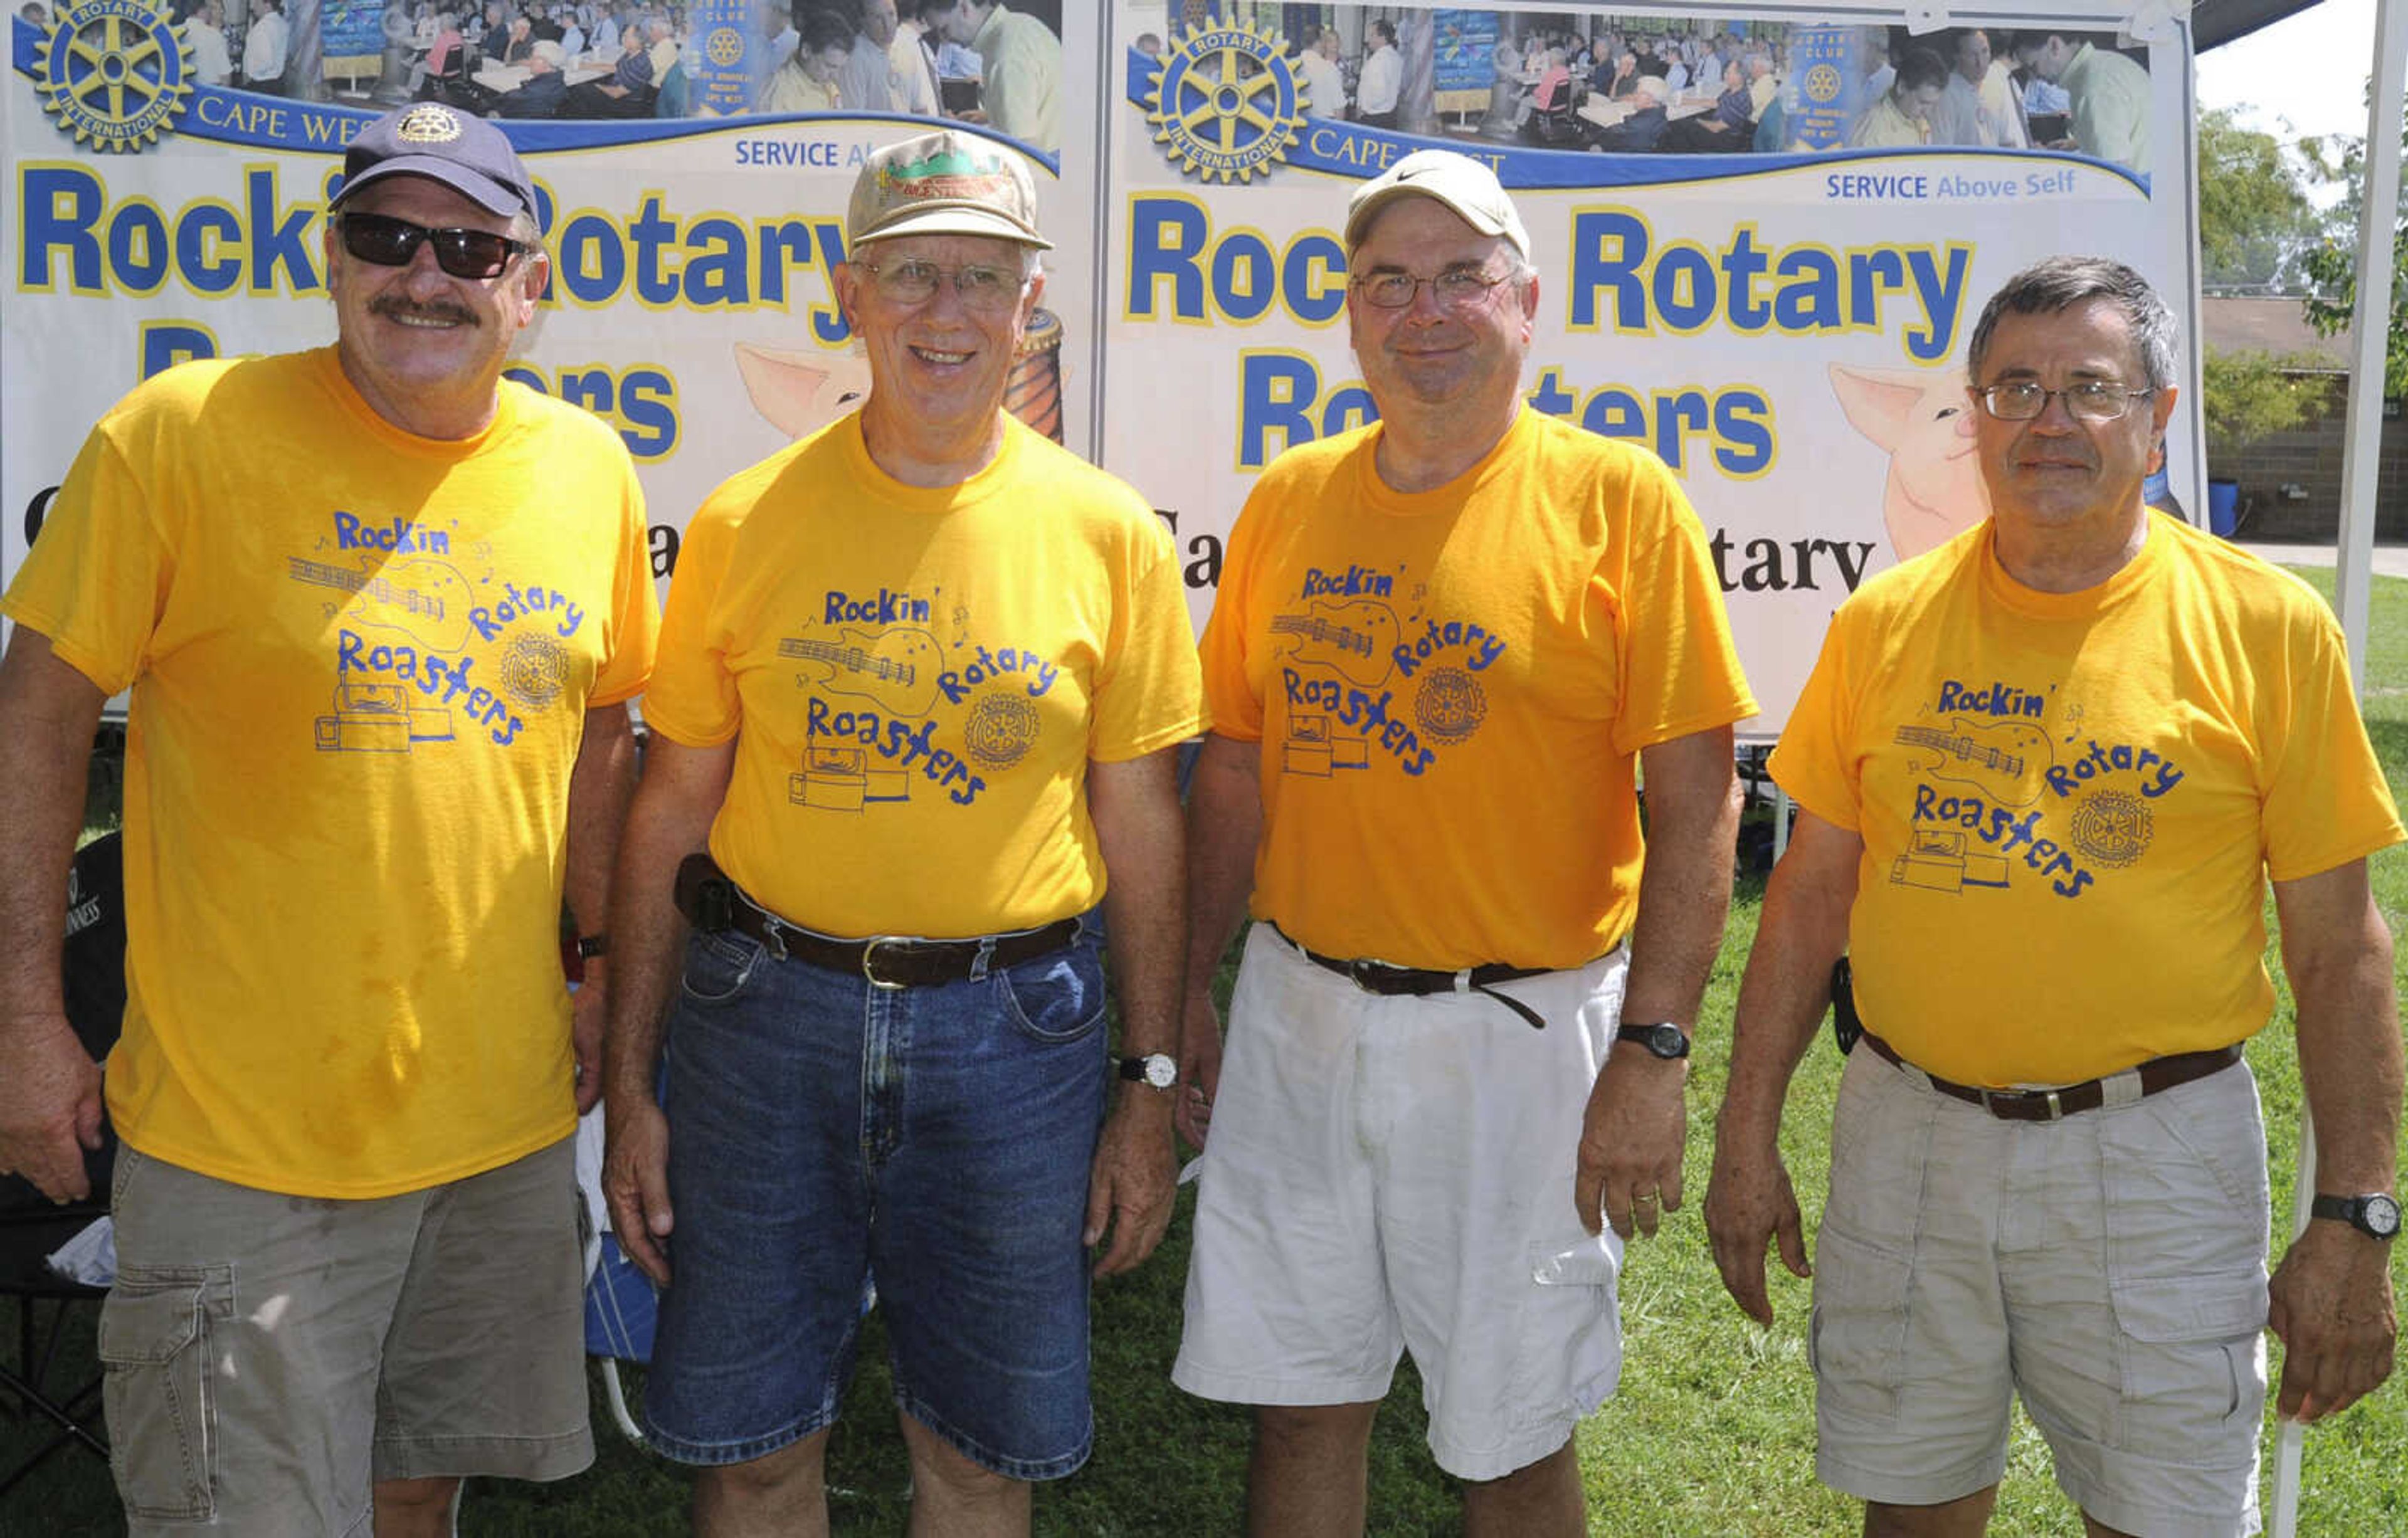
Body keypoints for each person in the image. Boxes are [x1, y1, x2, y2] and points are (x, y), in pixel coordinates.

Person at [0, 101, 659, 1535]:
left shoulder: (587, 469)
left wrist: (598, 963)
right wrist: (25, 1018)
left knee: (416, 1489)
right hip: (242, 1145)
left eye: (469, 246)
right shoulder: (178, 434)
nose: (426, 273)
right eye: (387, 235)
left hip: (490, 1134)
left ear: (529, 286)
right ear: (331, 254)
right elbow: (41, 712)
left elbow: (600, 729)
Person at [1704, 256, 2402, 1538]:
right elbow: (1805, 901)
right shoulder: (1885, 621)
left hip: (2157, 1155)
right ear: (1972, 420)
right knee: (1910, 1505)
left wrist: (2355, 1212)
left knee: (2165, 1518)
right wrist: (1746, 1138)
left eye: (2090, 387)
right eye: (2015, 387)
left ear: (2158, 417)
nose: (2050, 420)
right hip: (1908, 1133)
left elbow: (2340, 943)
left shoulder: (2266, 627)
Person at [601, 128, 1202, 1536]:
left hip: (1020, 1034)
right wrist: (634, 1080)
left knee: (982, 1450)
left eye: (982, 280)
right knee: (749, 1445)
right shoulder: (748, 522)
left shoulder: (1111, 534)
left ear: (1030, 299)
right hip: (762, 1019)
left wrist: (1149, 1081)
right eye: (914, 276)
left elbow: (1146, 833)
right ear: (848, 294)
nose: (948, 315)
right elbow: (668, 809)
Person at [1173, 149, 1755, 1538]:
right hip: (1298, 1012)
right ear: (1353, 313)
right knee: (1301, 1398)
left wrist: (1654, 1053)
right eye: (1389, 282)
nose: (1423, 309)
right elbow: (1237, 770)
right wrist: (1194, 986)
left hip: (1516, 1033)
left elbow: (1700, 803)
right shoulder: (1291, 497)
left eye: (1460, 277)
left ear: (1527, 301)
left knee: (1508, 1430)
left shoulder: (1621, 500)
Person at [931, 0, 1058, 154]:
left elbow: (1024, 151)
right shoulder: (1021, 25)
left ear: (964, 8)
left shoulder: (1006, 54)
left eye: (945, 29)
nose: (944, 41)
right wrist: (992, 116)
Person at [2015, 31, 2148, 171]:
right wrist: (2079, 144)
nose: (2034, 77)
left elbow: (2115, 173)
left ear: (2055, 46)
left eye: (2033, 66)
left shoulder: (2095, 87)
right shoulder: (2105, 64)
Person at [1847, 45, 1946, 147]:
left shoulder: (1917, 120)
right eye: (1923, 103)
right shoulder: (1875, 132)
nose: (1928, 112)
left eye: (1933, 104)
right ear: (1902, 87)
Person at [755, 8, 848, 113]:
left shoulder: (827, 86)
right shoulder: (780, 93)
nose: (836, 76)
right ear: (806, 51)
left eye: (840, 68)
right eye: (829, 66)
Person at [562, 21, 655, 115]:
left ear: (638, 41)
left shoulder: (640, 63)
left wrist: (597, 86)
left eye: (626, 36)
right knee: (583, 88)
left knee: (579, 89)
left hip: (624, 104)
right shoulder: (631, 54)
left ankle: (584, 120)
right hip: (617, 91)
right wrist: (585, 66)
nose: (622, 39)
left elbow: (616, 94)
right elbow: (614, 68)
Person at [838, 0, 902, 112]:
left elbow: (919, 107)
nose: (887, 25)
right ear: (863, 21)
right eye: (878, 18)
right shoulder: (855, 58)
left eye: (891, 14)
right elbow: (854, 116)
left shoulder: (904, 45)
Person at [1593, 70, 1673, 151]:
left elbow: (1609, 136)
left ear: (1649, 98)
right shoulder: (1660, 116)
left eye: (1638, 93)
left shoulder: (1635, 129)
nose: (1634, 97)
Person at [495, 35, 568, 114]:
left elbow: (504, 103)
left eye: (533, 58)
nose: (530, 62)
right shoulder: (559, 83)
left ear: (545, 62)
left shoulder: (532, 94)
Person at [1355, 18, 1400, 128]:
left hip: (1375, 118)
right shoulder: (1396, 57)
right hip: (1390, 116)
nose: (1368, 39)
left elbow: (1379, 94)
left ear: (1383, 38)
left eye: (1372, 35)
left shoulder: (1379, 60)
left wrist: (1363, 109)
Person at [1295, 23, 1344, 120]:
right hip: (1324, 126)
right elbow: (1339, 108)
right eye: (1325, 41)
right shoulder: (1329, 68)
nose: (1326, 45)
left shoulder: (1293, 67)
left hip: (1298, 124)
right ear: (1318, 43)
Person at [241, 0, 288, 92]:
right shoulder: (282, 23)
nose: (254, 6)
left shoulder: (262, 28)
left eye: (257, 2)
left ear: (268, 5)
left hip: (262, 85)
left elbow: (263, 62)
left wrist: (248, 76)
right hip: (278, 83)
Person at [183, 0, 231, 85]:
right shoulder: (214, 36)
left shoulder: (176, 34)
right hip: (211, 92)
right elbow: (225, 76)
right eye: (210, 8)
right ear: (203, 10)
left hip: (182, 90)